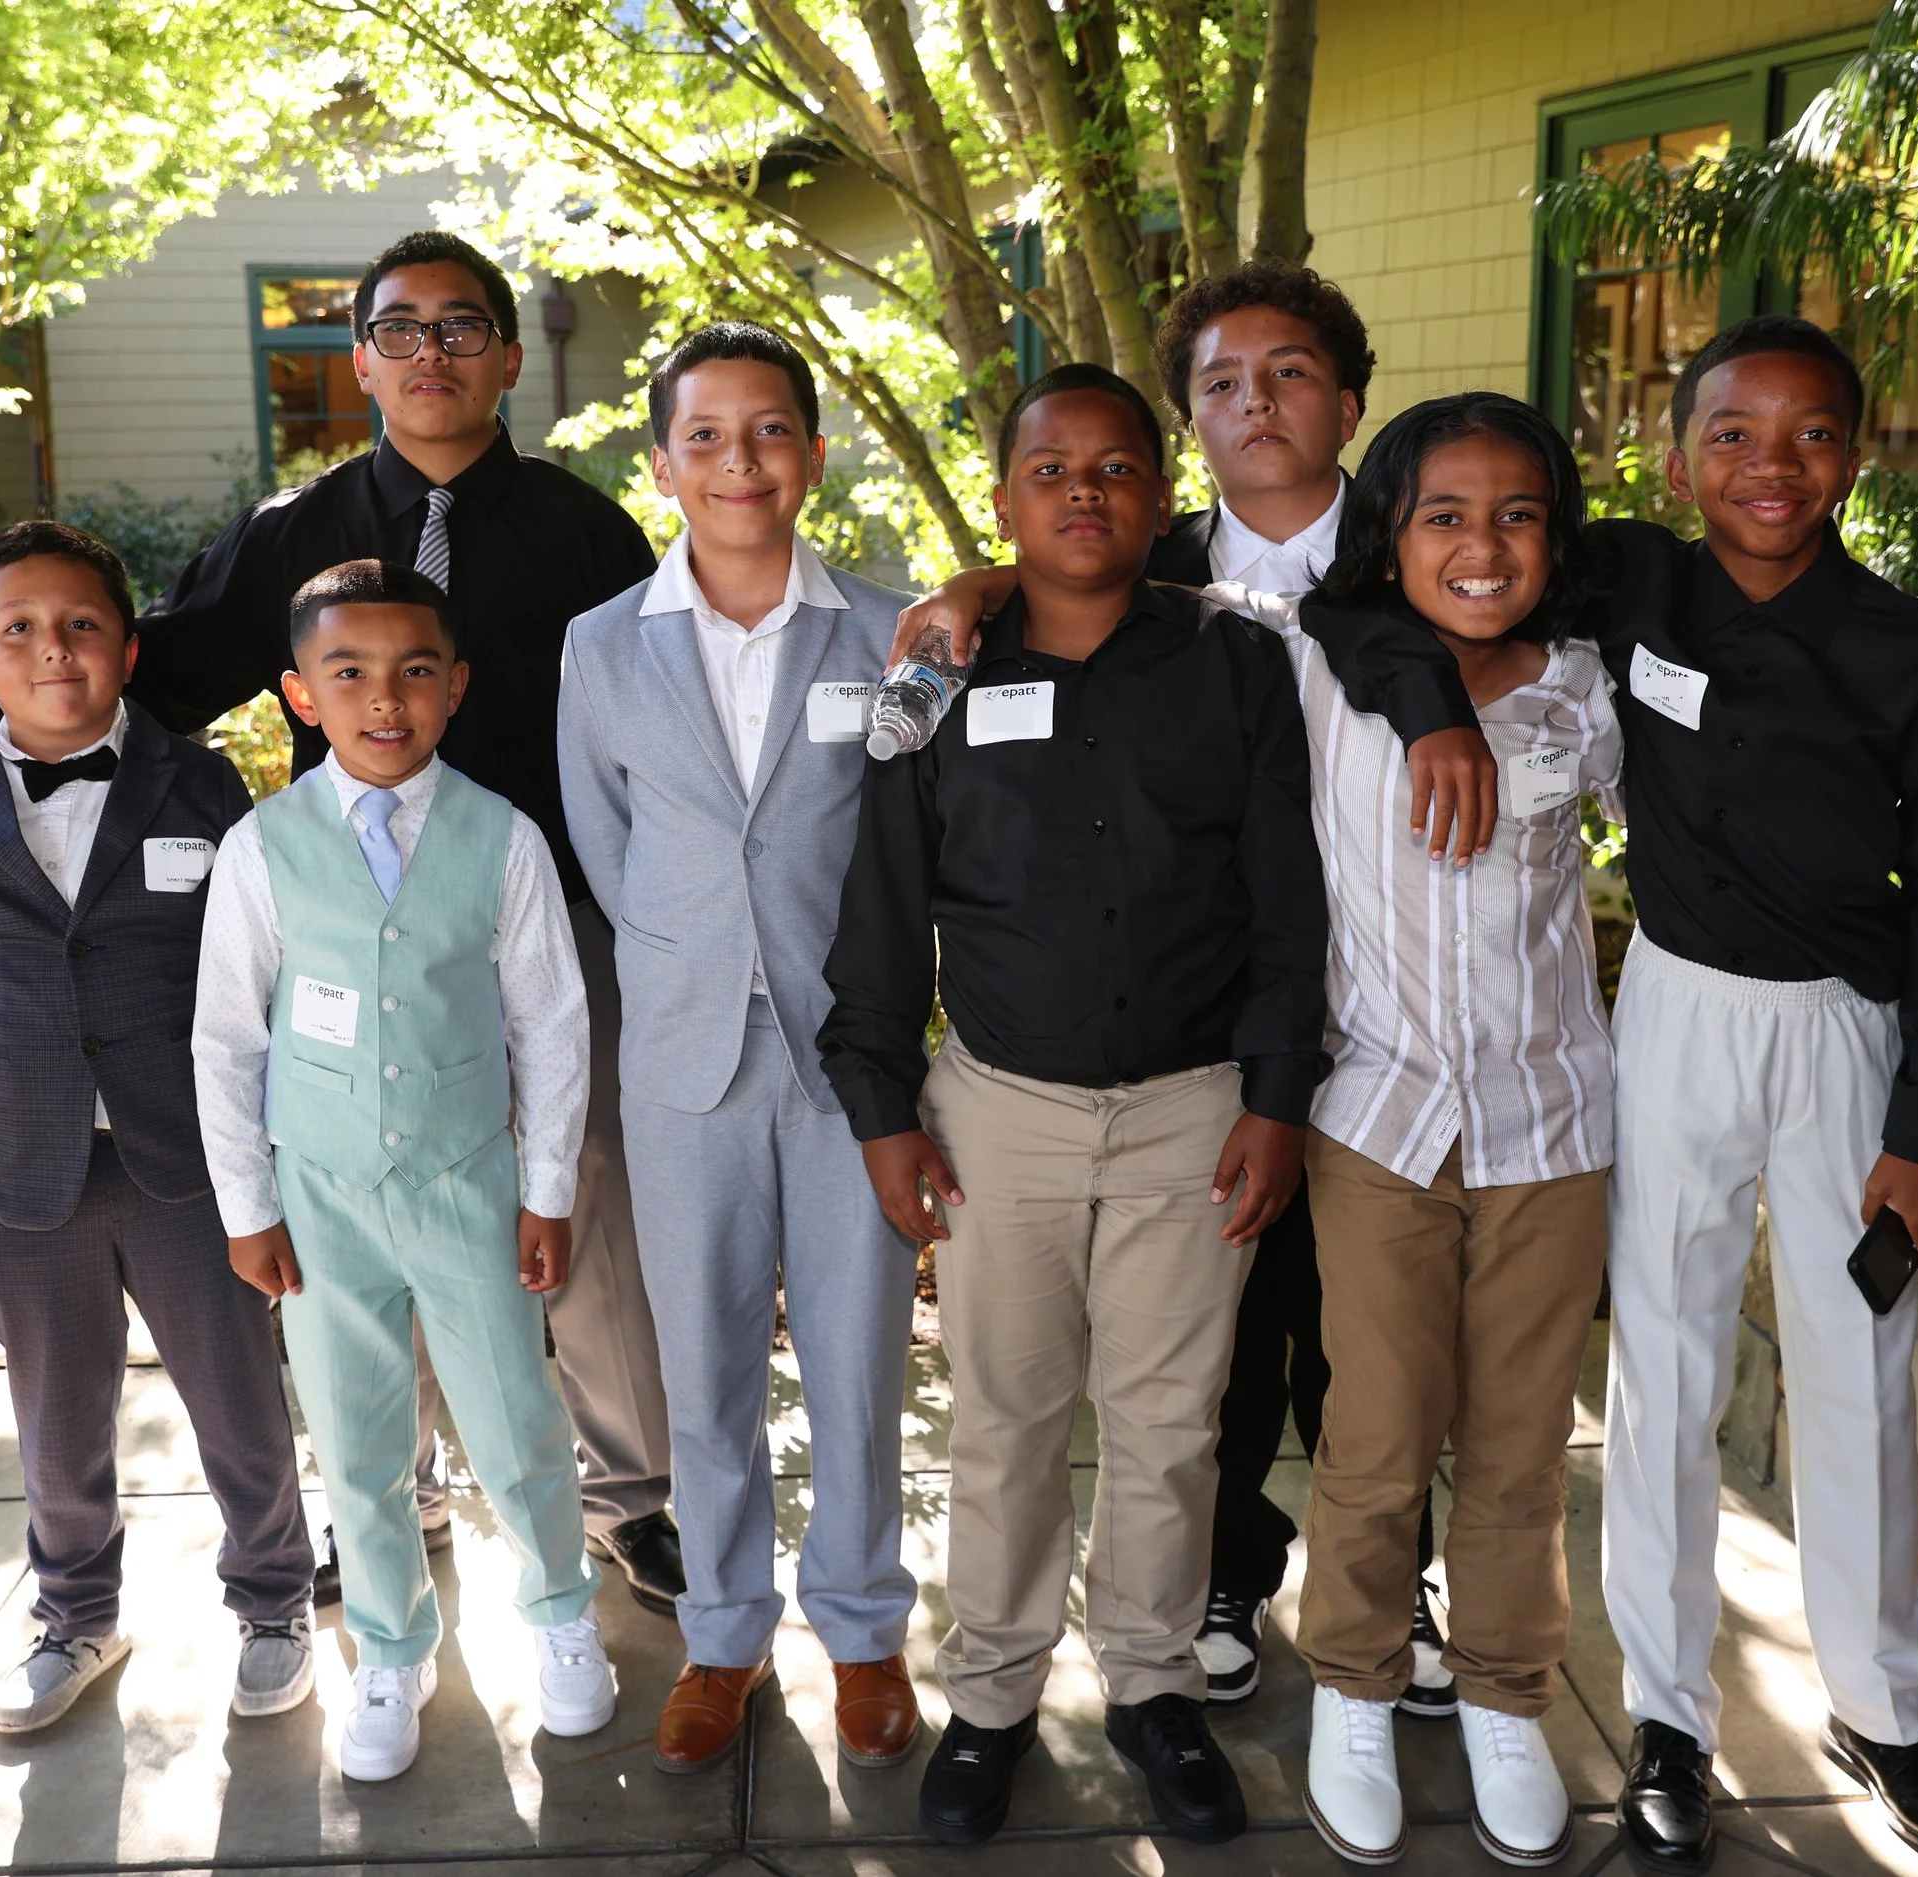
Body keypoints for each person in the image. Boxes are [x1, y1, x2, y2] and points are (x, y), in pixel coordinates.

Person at [0, 231, 684, 1617]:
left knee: (583, 1194)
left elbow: (656, 714)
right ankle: (397, 1497)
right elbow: (128, 668)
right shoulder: (291, 534)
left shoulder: (587, 530)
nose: (431, 354)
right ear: (360, 358)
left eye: (461, 327)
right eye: (399, 329)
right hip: (351, 930)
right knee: (361, 1189)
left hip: (547, 909)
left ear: (504, 355)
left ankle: (629, 1496)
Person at [891, 260, 1462, 1714]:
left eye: (1288, 374)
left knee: (1336, 1362)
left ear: (1348, 400)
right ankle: (1156, 1612)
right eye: (1222, 383)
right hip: (1130, 1062)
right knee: (1150, 1386)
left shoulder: (1427, 546)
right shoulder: (1095, 588)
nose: (1255, 404)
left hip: (1369, 1032)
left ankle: (1374, 1592)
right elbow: (892, 873)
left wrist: (1442, 709)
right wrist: (981, 583)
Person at [819, 362, 1332, 1848]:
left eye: (1115, 468)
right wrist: (881, 1108)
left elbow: (1288, 903)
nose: (1084, 492)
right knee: (1006, 1419)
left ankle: (1155, 1687)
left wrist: (1278, 1096)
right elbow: (881, 901)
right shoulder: (936, 675)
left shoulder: (1235, 665)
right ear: (1004, 502)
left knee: (1172, 1424)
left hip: (1196, 1112)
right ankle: (990, 1695)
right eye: (1051, 470)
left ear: (1159, 500)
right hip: (999, 1114)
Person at [1587, 318, 1918, 1865]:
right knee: (1664, 1363)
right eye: (1734, 433)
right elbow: (1417, 563)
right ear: (1675, 457)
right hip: (1676, 1010)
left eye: (1810, 433)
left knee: (1860, 1360)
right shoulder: (1627, 585)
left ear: (1855, 453)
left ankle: (1881, 1708)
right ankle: (1665, 1713)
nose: (1771, 466)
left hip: (1849, 1033)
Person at [1207, 393, 1622, 1867]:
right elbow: (1161, 592)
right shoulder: (1314, 664)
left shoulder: (1586, 684)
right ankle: (1357, 1687)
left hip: (1549, 1121)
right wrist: (979, 582)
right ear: (1390, 532)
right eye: (1444, 514)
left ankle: (1508, 1694)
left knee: (1520, 1443)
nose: (1483, 544)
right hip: (1378, 1116)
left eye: (1518, 514)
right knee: (1375, 1435)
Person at [0, 520, 317, 1736]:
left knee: (239, 1400)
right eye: (16, 629)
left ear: (128, 646)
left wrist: (277, 1164)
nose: (52, 649)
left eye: (80, 625)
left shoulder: (201, 786)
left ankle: (274, 1599)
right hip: (19, 1180)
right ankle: (75, 1613)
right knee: (57, 1421)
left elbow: (261, 984)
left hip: (191, 1167)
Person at [559, 322, 923, 1776]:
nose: (738, 461)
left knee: (857, 1359)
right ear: (661, 464)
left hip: (850, 1057)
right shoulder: (602, 643)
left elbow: (914, 834)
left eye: (769, 430)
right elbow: (607, 841)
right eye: (703, 435)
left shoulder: (890, 630)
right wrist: (693, 952)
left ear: (813, 455)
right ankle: (722, 1634)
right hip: (683, 1053)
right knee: (702, 1369)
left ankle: (865, 1630)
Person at [191, 558, 615, 1781]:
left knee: (515, 1412)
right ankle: (388, 1644)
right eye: (350, 672)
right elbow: (228, 1035)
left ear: (455, 685)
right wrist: (247, 1206)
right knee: (357, 1431)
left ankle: (559, 1612)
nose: (385, 697)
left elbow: (549, 1021)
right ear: (300, 694)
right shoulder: (263, 846)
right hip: (320, 1192)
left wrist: (545, 1187)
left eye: (414, 670)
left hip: (466, 1178)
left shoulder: (503, 837)